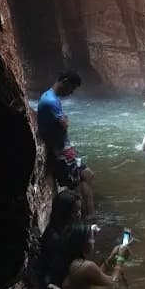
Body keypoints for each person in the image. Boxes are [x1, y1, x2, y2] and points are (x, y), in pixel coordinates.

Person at [37, 71, 95, 216]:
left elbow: (63, 122)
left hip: (66, 149)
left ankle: (89, 215)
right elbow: (64, 125)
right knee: (78, 185)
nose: (71, 92)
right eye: (72, 88)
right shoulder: (50, 101)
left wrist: (65, 121)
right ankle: (88, 220)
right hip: (61, 153)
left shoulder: (51, 97)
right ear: (65, 81)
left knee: (88, 175)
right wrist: (65, 122)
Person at [48, 222, 128, 289]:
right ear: (83, 244)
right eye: (91, 238)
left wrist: (110, 259)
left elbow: (96, 276)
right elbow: (114, 284)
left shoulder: (68, 260)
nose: (94, 241)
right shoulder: (86, 267)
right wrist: (120, 259)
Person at [38, 189, 82, 289]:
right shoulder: (55, 239)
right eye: (74, 212)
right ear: (63, 213)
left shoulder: (60, 229)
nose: (79, 214)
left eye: (79, 210)